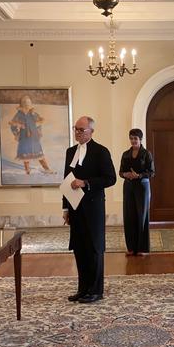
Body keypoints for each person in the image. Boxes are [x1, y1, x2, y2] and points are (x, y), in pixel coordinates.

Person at [63, 116, 116, 304]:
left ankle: (96, 290)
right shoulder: (70, 152)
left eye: (81, 130)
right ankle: (83, 289)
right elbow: (67, 180)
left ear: (91, 131)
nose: (77, 132)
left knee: (94, 248)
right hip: (75, 208)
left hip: (93, 208)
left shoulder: (101, 152)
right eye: (75, 129)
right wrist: (66, 208)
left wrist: (85, 183)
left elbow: (110, 179)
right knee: (79, 248)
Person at [119, 128, 155, 256]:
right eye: (131, 138)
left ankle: (142, 249)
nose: (133, 141)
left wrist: (139, 175)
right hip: (128, 187)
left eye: (135, 138)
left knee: (142, 217)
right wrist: (126, 174)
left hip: (142, 187)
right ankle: (131, 248)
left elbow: (151, 172)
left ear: (140, 139)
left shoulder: (146, 154)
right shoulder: (125, 154)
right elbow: (120, 172)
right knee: (129, 216)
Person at [9, 95, 56, 175]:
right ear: (22, 104)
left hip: (34, 136)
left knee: (39, 153)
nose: (27, 104)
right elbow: (13, 124)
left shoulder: (33, 113)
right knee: (25, 153)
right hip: (24, 136)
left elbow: (39, 123)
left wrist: (38, 130)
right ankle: (27, 171)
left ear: (30, 104)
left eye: (28, 102)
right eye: (25, 102)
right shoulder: (19, 114)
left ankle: (47, 168)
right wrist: (18, 129)